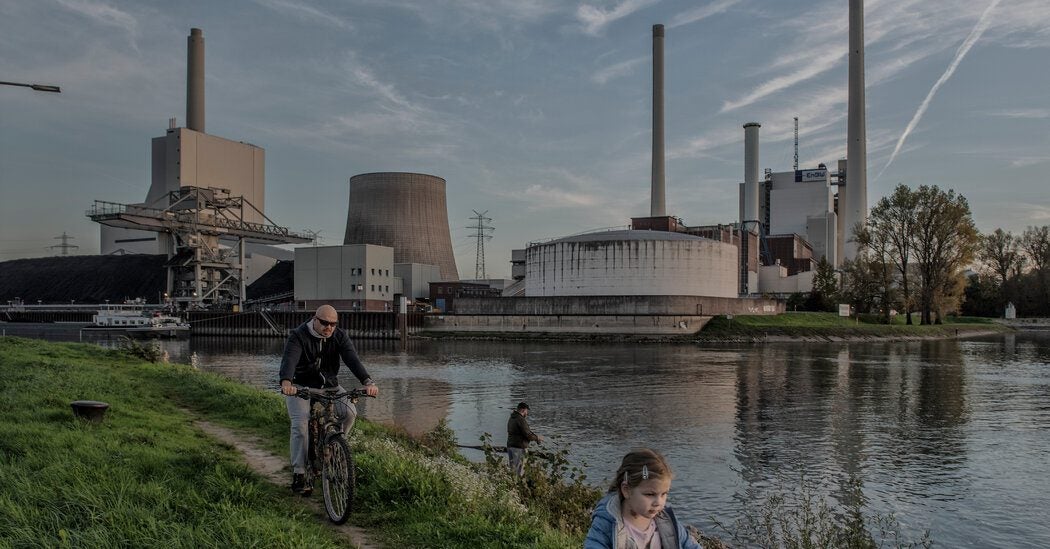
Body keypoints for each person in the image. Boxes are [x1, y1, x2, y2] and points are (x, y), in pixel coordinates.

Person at [279, 304, 379, 495]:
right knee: (300, 426)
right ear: (314, 319)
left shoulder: (339, 336)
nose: (329, 328)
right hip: (301, 386)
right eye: (325, 323)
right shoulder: (298, 335)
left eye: (333, 324)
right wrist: (286, 382)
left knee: (349, 413)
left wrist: (368, 381)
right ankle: (299, 473)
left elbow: (352, 359)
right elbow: (289, 359)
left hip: (331, 386)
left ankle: (336, 448)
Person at [584, 448, 701, 549]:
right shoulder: (607, 522)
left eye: (664, 494)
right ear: (626, 490)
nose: (658, 502)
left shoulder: (666, 520)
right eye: (650, 494)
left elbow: (690, 545)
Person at [506, 401, 543, 476]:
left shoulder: (512, 418)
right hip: (519, 447)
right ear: (523, 410)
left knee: (513, 469)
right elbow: (528, 434)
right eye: (526, 411)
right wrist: (537, 438)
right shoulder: (520, 419)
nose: (527, 413)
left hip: (511, 446)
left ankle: (512, 484)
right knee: (519, 471)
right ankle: (516, 486)